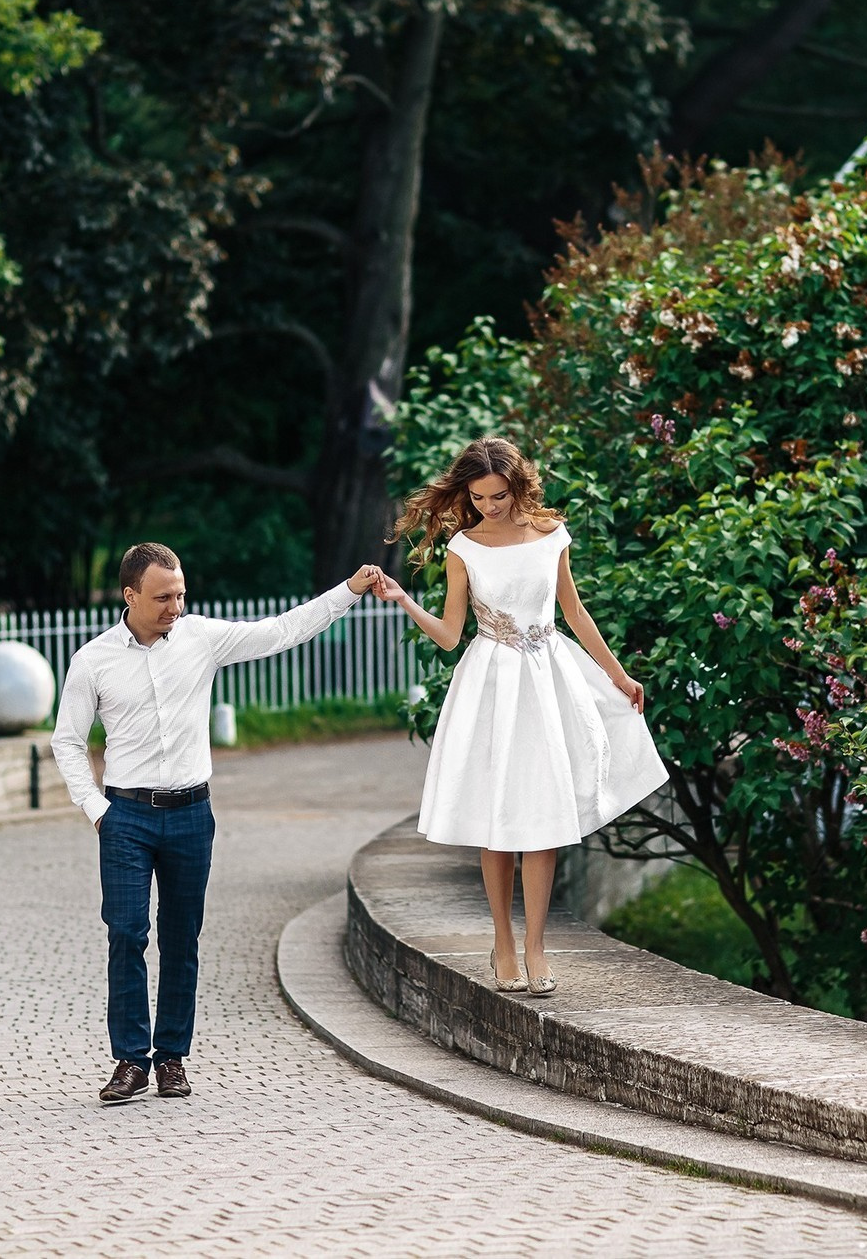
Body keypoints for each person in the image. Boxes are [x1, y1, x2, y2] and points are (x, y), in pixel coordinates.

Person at [52, 542, 384, 1103]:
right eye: (162, 597)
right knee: (127, 933)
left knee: (183, 940)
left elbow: (282, 631)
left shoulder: (203, 638)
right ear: (129, 595)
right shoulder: (93, 661)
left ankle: (172, 1059)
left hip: (191, 815)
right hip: (125, 817)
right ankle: (129, 1060)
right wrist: (97, 810)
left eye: (180, 594)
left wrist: (348, 591)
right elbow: (67, 740)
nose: (175, 606)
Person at [376, 437, 667, 995]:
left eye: (500, 495)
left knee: (544, 821)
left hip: (548, 678)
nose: (490, 506)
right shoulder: (464, 547)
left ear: (518, 486)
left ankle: (536, 946)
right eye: (480, 497)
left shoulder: (551, 534)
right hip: (492, 686)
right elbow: (449, 635)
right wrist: (405, 601)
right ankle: (503, 943)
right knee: (497, 824)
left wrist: (618, 674)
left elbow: (574, 611)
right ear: (467, 494)